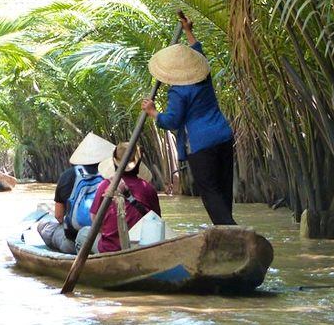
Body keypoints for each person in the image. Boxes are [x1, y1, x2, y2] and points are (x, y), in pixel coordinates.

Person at [141, 13, 237, 225]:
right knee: (223, 190)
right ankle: (229, 230)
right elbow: (198, 52)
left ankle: (231, 231)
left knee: (210, 192)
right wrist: (188, 31)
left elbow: (172, 121)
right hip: (222, 136)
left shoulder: (178, 92)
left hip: (201, 145)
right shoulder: (204, 77)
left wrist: (153, 111)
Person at [38, 133, 115, 254]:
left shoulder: (68, 176)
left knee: (43, 226)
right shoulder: (112, 177)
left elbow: (59, 216)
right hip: (106, 239)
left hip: (72, 242)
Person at [89, 142, 161, 253]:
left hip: (109, 250)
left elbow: (95, 220)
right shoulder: (149, 189)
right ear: (138, 164)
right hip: (141, 250)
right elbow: (156, 222)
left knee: (82, 234)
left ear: (115, 162)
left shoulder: (105, 186)